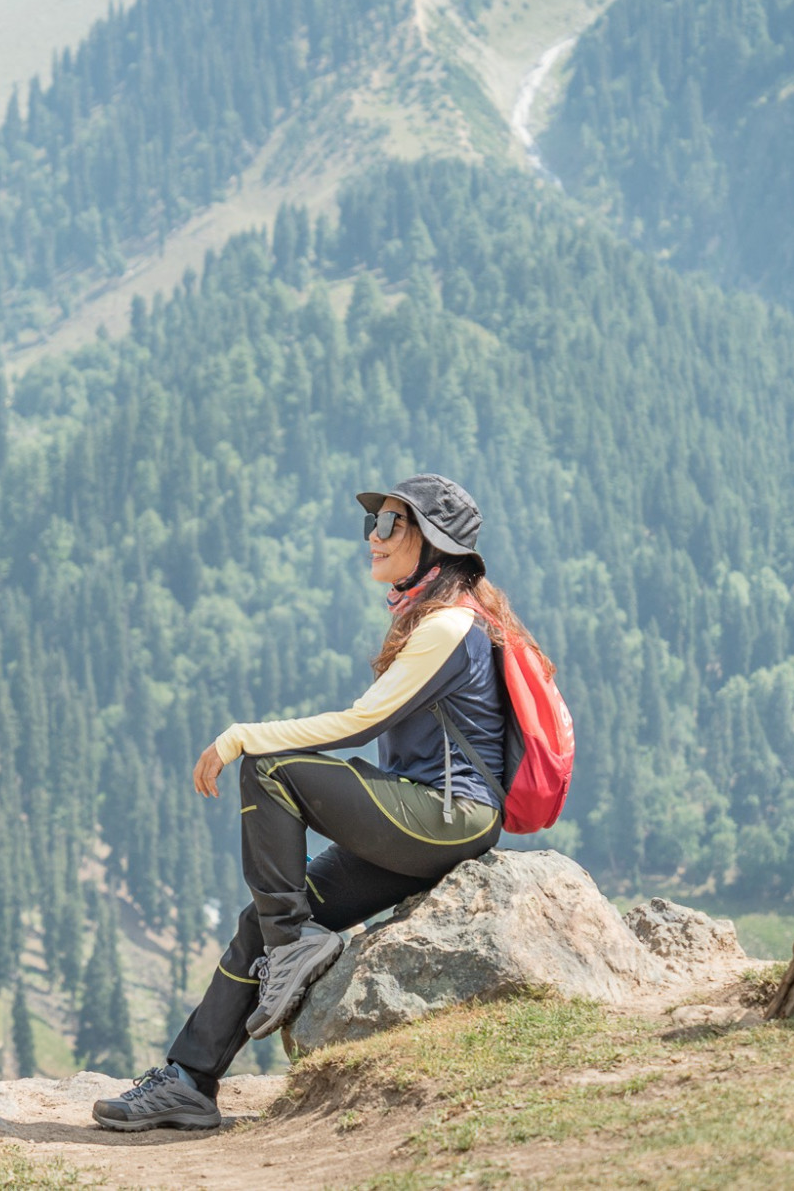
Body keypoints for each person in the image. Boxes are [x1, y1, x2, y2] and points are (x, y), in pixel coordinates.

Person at [93, 474, 531, 1132]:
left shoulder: (448, 625)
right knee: (264, 915)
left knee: (271, 769)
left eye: (390, 525)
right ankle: (190, 1077)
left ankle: (293, 943)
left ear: (433, 542)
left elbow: (361, 721)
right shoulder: (441, 618)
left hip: (447, 817)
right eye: (372, 524)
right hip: (431, 820)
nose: (373, 538)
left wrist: (244, 736)